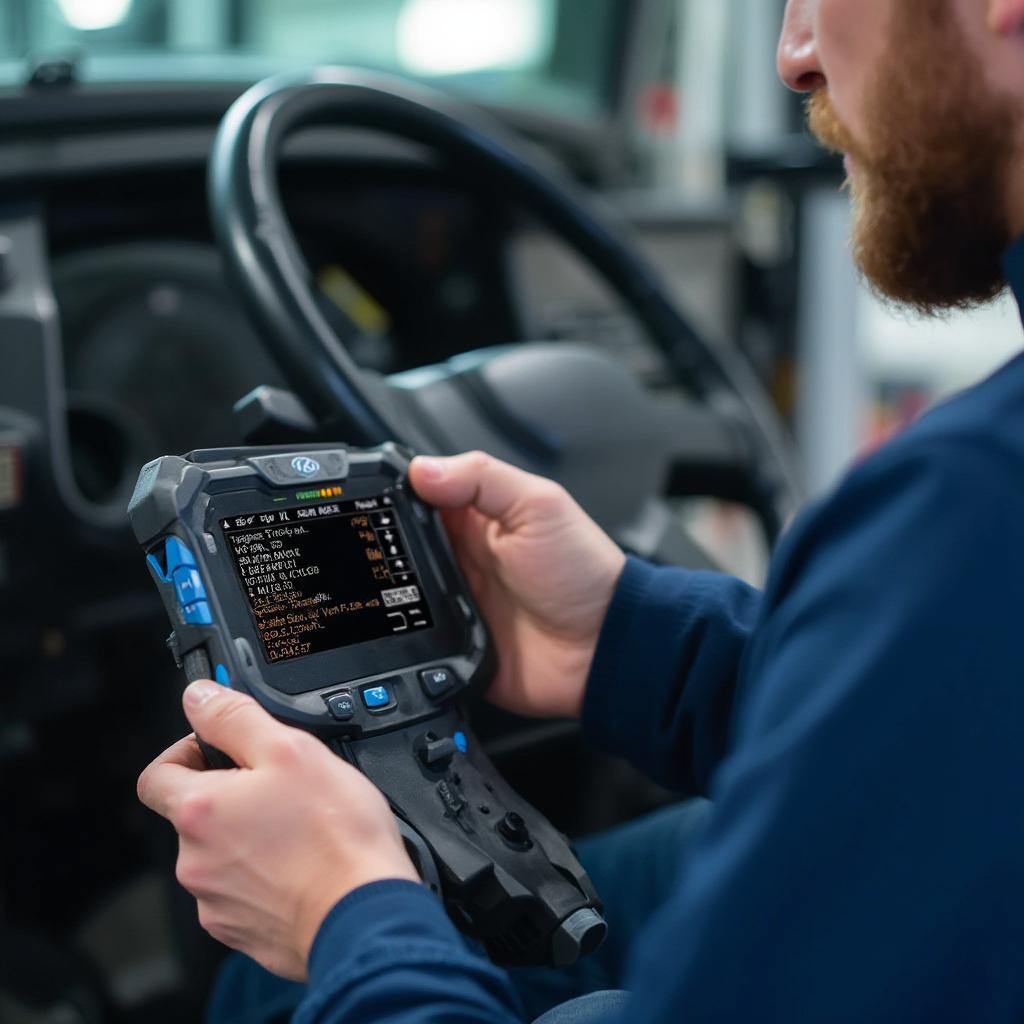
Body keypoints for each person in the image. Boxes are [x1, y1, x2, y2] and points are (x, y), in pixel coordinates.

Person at [137, 0, 1024, 1020]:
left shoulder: (969, 511)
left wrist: (349, 914)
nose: (794, 56)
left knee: (278, 981)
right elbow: (947, 717)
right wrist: (636, 640)